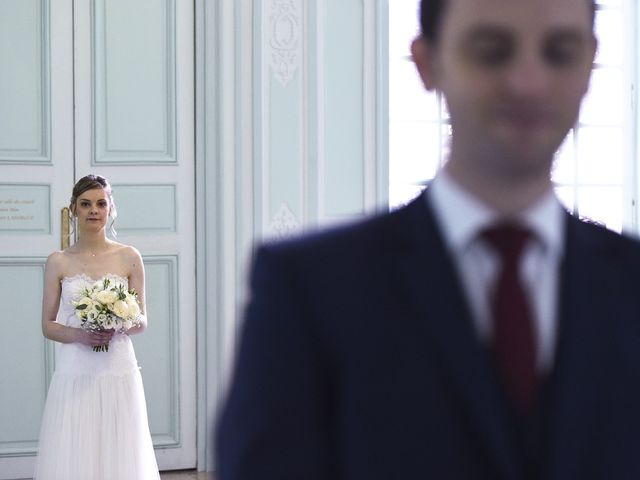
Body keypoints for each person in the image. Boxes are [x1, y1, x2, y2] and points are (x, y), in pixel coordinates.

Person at [216, 0, 640, 478]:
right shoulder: (309, 289)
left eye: (560, 52)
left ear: (590, 64)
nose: (528, 82)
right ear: (427, 62)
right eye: (491, 50)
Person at [34, 175, 160, 480]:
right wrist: (80, 334)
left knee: (120, 443)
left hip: (117, 366)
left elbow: (142, 321)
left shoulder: (129, 257)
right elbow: (48, 326)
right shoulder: (58, 261)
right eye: (86, 204)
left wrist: (119, 323)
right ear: (74, 209)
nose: (94, 210)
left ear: (111, 208)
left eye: (101, 203)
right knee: (76, 445)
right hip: (76, 367)